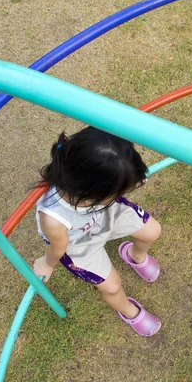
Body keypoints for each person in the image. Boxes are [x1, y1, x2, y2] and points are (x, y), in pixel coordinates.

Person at [33, 126, 162, 336]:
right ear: (94, 193)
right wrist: (48, 264)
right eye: (121, 189)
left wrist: (132, 178)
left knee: (152, 231)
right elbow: (59, 247)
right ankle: (129, 311)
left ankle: (134, 255)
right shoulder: (53, 219)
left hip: (104, 213)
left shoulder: (98, 186)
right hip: (78, 242)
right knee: (111, 286)